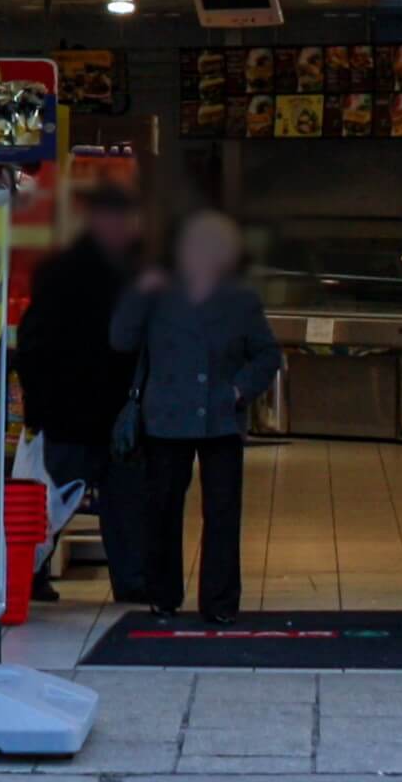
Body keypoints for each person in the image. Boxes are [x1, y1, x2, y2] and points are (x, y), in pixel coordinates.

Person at [110, 211, 280, 624]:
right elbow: (121, 338)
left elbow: (267, 354)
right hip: (166, 417)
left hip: (220, 418)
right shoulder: (156, 292)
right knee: (163, 508)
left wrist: (238, 389)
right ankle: (163, 594)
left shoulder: (240, 299)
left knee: (222, 512)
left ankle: (220, 602)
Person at [16, 183, 148, 603]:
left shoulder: (122, 270)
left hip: (91, 410)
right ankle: (127, 586)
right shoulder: (102, 272)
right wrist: (39, 407)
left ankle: (36, 574)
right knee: (68, 501)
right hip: (86, 410)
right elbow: (35, 344)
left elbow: (32, 342)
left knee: (64, 500)